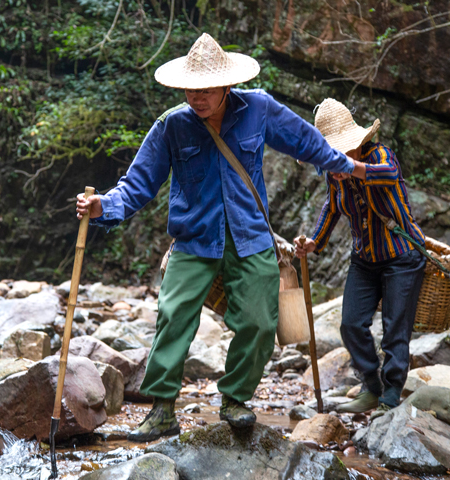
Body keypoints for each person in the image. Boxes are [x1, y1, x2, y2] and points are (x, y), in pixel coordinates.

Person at [76, 34, 365, 442]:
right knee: (173, 317)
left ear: (227, 86)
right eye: (191, 90)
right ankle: (161, 410)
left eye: (206, 90)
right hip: (194, 239)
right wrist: (103, 207)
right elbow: (137, 184)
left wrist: (347, 166)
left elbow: (305, 140)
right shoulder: (171, 126)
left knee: (261, 323)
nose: (197, 98)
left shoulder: (259, 108)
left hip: (250, 237)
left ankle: (235, 398)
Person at [294, 98, 426, 420]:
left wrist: (349, 166)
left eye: (340, 152)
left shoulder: (379, 155)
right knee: (351, 324)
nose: (333, 164)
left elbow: (389, 174)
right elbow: (332, 207)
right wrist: (314, 242)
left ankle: (392, 393)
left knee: (395, 328)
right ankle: (371, 388)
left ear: (356, 144)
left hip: (402, 257)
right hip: (364, 259)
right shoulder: (334, 176)